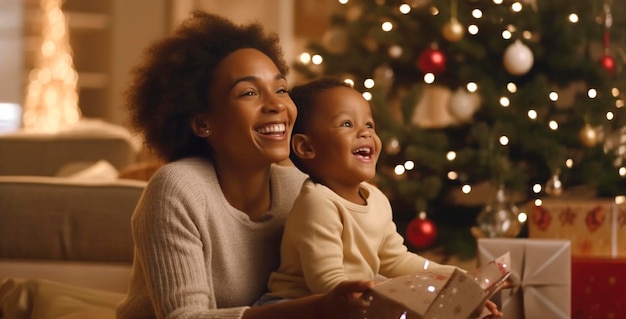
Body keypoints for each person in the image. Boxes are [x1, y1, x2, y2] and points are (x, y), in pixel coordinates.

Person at [115, 12, 373, 319]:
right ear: (202, 122)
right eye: (249, 92)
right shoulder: (177, 189)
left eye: (281, 89)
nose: (277, 105)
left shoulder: (301, 189)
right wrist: (319, 307)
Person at [260, 77, 503, 317]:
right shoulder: (318, 203)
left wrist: (455, 278)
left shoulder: (376, 199)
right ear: (306, 148)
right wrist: (382, 302)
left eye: (369, 125)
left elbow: (397, 260)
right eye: (346, 124)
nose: (364, 134)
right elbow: (327, 283)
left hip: (346, 303)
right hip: (295, 307)